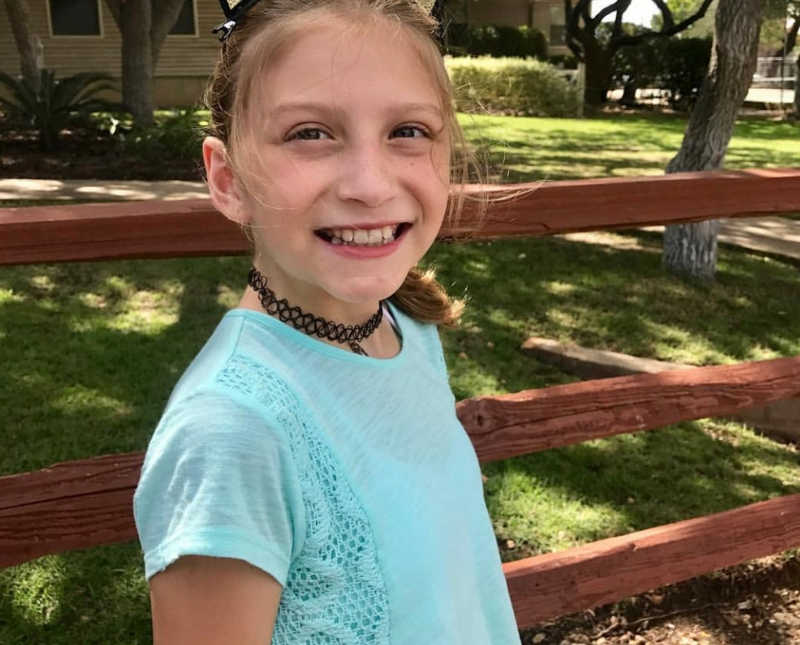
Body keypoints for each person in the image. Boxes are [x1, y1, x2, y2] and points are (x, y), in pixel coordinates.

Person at [133, 1, 521, 643]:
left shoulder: (404, 329)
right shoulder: (232, 434)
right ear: (227, 179)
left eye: (408, 131)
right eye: (310, 133)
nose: (369, 184)